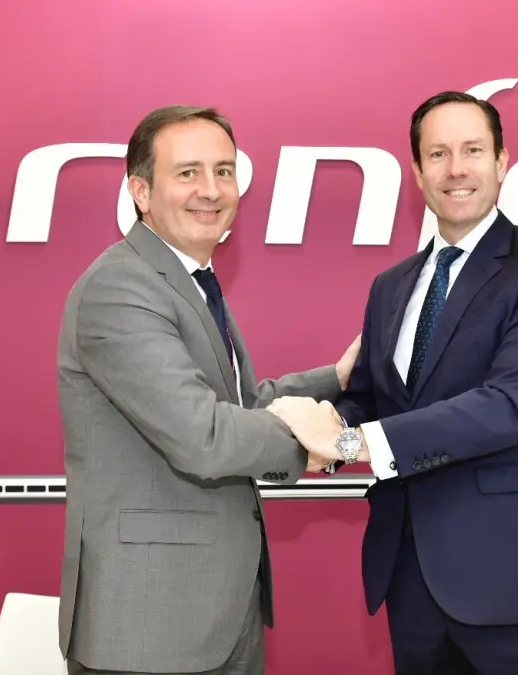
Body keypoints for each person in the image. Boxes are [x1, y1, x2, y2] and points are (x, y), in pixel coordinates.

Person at [267, 91, 518, 675]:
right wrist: (321, 426)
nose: (456, 169)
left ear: (502, 162)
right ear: (418, 172)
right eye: (438, 154)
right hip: (412, 577)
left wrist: (347, 443)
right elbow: (370, 398)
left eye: (472, 150)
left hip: (514, 576)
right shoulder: (390, 286)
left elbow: (507, 406)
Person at [55, 104, 360, 675]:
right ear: (140, 192)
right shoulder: (120, 288)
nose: (211, 190)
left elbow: (238, 407)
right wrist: (329, 444)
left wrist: (338, 379)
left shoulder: (191, 279)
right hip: (149, 627)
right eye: (187, 173)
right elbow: (204, 436)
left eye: (224, 171)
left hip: (219, 612)